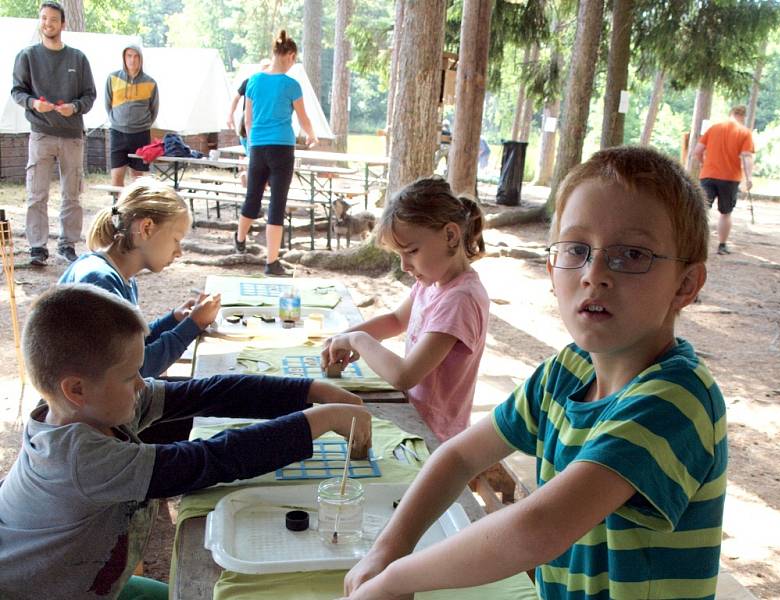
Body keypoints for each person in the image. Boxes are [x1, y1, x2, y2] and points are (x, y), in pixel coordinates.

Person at [341, 147, 726, 600]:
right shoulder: (566, 372)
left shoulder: (676, 399)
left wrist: (396, 580)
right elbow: (459, 457)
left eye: (632, 254)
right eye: (577, 250)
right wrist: (389, 547)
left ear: (685, 285)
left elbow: (536, 528)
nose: (594, 274)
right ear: (551, 266)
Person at [0, 283, 371, 600]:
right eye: (131, 376)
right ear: (77, 388)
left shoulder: (90, 408)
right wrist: (319, 420)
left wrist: (312, 390)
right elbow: (208, 460)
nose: (142, 384)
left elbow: (208, 392)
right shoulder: (79, 460)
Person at [321, 177, 489, 441]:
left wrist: (357, 340)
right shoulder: (433, 282)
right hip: (415, 417)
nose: (404, 266)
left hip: (434, 436)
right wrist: (340, 339)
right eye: (399, 255)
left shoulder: (460, 300)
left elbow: (404, 375)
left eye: (411, 251)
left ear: (450, 235)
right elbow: (396, 320)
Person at [59, 178, 221, 379]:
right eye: (176, 240)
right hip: (88, 408)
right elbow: (135, 370)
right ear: (146, 228)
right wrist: (193, 325)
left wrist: (174, 319)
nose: (179, 252)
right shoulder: (98, 281)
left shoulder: (122, 278)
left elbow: (134, 346)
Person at [11, 1, 97, 266]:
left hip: (72, 134)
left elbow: (90, 95)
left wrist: (75, 107)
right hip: (40, 134)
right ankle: (37, 247)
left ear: (63, 24)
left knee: (72, 193)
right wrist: (34, 103)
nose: (47, 23)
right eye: (44, 18)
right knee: (36, 193)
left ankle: (67, 244)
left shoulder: (78, 58)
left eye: (53, 19)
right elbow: (17, 91)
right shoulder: (27, 56)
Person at [235, 31, 318, 276]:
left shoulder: (253, 81)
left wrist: (251, 147)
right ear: (290, 56)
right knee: (277, 202)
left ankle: (240, 238)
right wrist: (312, 136)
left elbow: (247, 120)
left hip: (258, 147)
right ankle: (271, 263)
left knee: (253, 196)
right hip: (282, 148)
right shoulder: (291, 85)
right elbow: (303, 120)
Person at [691, 104, 755, 256]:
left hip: (708, 175)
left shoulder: (714, 128)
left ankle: (694, 244)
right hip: (730, 178)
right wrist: (749, 178)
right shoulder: (744, 133)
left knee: (702, 210)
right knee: (725, 213)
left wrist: (702, 163)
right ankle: (722, 245)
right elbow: (747, 157)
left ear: (730, 113)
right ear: (743, 116)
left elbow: (697, 151)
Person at [105, 43, 159, 186]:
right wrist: (117, 120)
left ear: (140, 59)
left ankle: (136, 208)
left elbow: (154, 109)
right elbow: (107, 104)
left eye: (136, 56)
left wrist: (142, 123)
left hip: (140, 134)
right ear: (124, 58)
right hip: (117, 133)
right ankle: (117, 208)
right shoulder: (112, 78)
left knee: (138, 179)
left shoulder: (150, 82)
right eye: (129, 56)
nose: (132, 60)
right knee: (116, 176)